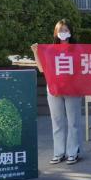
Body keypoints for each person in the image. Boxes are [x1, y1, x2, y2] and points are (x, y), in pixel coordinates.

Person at [31, 19, 82, 165]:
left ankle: (73, 152)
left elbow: (82, 68)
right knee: (57, 121)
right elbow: (42, 69)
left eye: (66, 30)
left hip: (72, 89)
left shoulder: (77, 49)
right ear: (55, 33)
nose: (63, 33)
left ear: (70, 32)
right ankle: (59, 153)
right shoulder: (49, 50)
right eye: (60, 30)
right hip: (54, 89)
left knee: (73, 122)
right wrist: (36, 53)